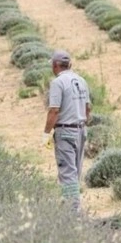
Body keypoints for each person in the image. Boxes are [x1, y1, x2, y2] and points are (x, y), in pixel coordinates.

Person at [42, 50, 91, 213]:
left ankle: (73, 211)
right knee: (75, 171)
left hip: (65, 131)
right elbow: (88, 108)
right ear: (69, 64)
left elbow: (54, 110)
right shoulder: (81, 80)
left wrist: (46, 133)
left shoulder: (58, 83)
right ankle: (72, 204)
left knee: (67, 172)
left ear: (55, 65)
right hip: (81, 130)